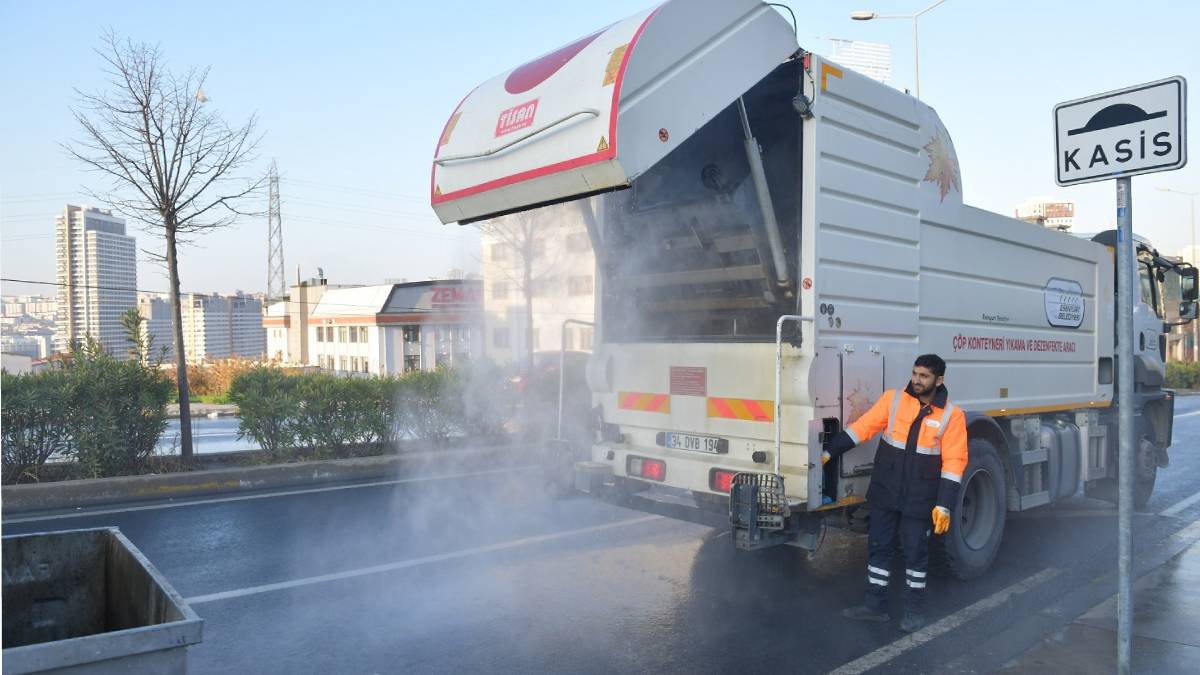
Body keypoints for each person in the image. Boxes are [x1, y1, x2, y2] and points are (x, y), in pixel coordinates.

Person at [822, 354, 968, 633]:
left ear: (939, 380)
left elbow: (954, 463)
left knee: (915, 553)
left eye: (924, 376)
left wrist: (944, 505)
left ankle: (915, 610)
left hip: (919, 497)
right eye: (915, 373)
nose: (916, 380)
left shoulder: (952, 416)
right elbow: (863, 428)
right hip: (886, 492)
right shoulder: (894, 400)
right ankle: (874, 607)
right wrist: (831, 451)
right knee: (879, 547)